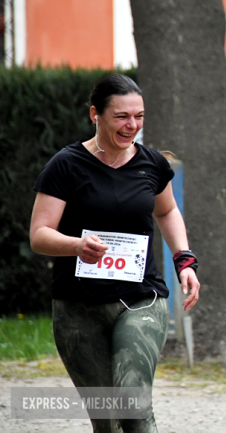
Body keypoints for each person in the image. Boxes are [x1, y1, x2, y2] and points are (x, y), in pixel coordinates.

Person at [29, 73, 200, 432]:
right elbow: (39, 235)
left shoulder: (152, 164)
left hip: (140, 298)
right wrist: (76, 246)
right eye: (122, 116)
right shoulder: (66, 165)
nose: (132, 125)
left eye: (139, 116)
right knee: (106, 421)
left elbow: (167, 211)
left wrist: (184, 260)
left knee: (132, 406)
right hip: (78, 306)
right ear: (96, 114)